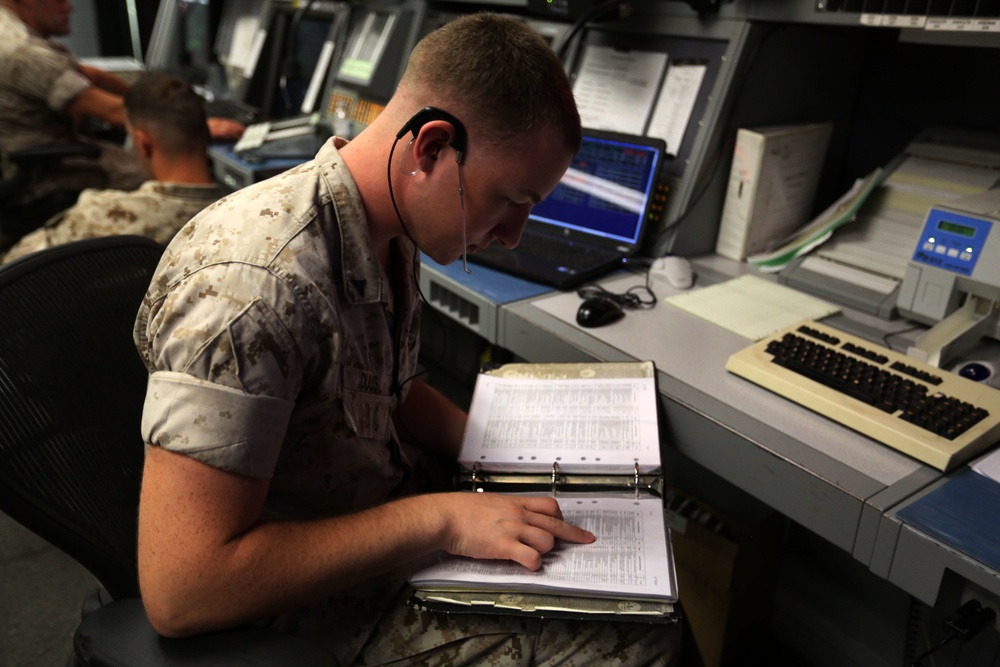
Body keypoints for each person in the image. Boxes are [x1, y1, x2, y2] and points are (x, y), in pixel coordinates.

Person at [133, 12, 679, 667]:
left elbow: (375, 387)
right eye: (510, 201)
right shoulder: (252, 291)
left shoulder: (388, 224)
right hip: (306, 598)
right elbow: (184, 590)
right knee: (636, 642)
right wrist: (440, 520)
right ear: (431, 148)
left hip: (379, 511)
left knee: (640, 575)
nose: (513, 235)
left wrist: (495, 453)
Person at [0, 0, 242, 207]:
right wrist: (192, 126)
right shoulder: (23, 51)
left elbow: (88, 74)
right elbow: (112, 111)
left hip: (44, 150)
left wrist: (152, 94)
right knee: (167, 181)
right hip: (38, 174)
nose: (69, 7)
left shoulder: (9, 28)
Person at [3, 72, 225, 263]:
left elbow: (18, 272)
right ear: (205, 135)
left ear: (144, 143)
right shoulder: (235, 217)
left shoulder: (99, 215)